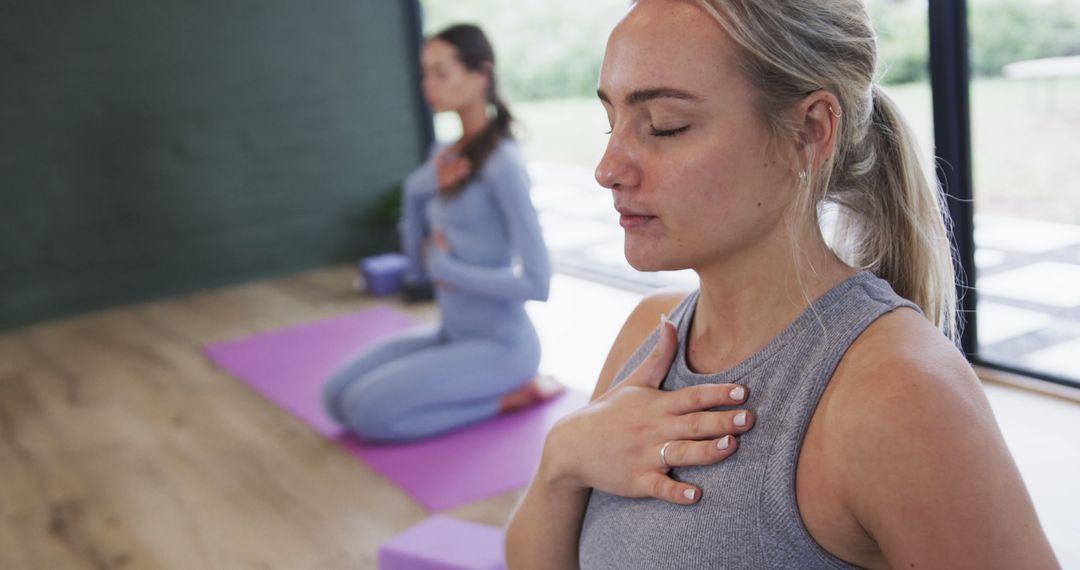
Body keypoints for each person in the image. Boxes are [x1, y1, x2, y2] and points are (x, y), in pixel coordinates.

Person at [506, 1, 1059, 568]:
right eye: (611, 121)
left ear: (810, 131)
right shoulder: (649, 333)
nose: (607, 167)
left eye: (664, 126)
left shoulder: (900, 393)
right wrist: (563, 459)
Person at [322, 24, 560, 442]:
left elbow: (538, 283)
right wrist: (417, 191)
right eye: (424, 73)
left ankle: (510, 398)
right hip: (451, 334)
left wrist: (449, 268)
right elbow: (416, 268)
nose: (427, 85)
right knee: (335, 397)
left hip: (503, 347)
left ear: (480, 75)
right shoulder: (441, 157)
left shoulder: (503, 164)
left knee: (370, 415)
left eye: (441, 72)